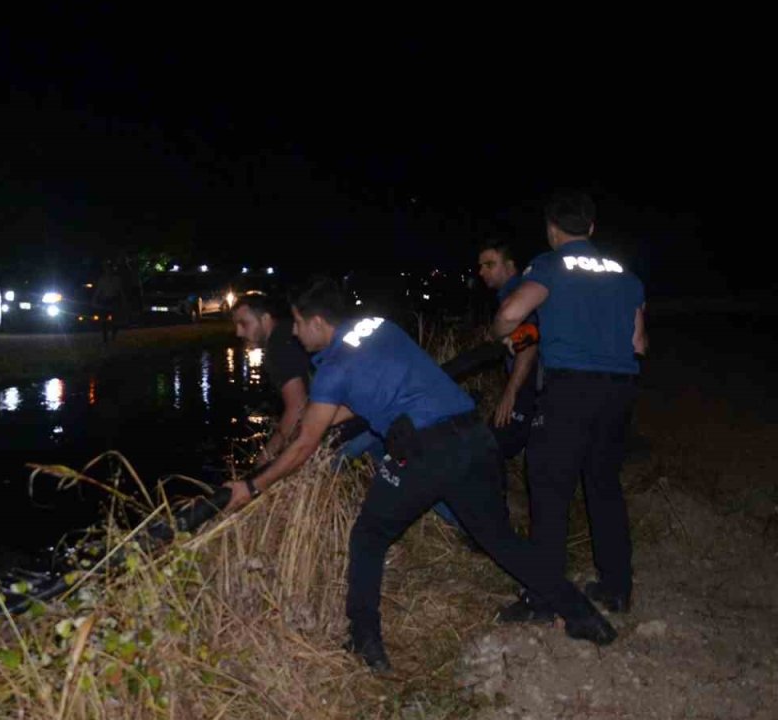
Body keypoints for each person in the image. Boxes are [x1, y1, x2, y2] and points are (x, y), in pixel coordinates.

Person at [223, 275, 616, 672]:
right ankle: (583, 615)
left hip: (427, 451)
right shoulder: (380, 327)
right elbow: (364, 395)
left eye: (297, 322)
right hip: (474, 436)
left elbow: (304, 445)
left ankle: (365, 641)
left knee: (368, 537)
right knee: (499, 539)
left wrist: (253, 485)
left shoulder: (332, 369)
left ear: (318, 322)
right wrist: (318, 416)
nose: (294, 332)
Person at [491, 190, 647, 622]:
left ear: (552, 229)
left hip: (570, 391)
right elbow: (638, 343)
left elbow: (512, 313)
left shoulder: (549, 264)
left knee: (549, 487)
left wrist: (498, 331)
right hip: (619, 391)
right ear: (591, 228)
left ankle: (543, 599)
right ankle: (617, 588)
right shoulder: (625, 275)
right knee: (604, 484)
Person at [477, 239, 540, 461]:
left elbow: (529, 342)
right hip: (536, 382)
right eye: (481, 266)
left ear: (510, 266)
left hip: (530, 382)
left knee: (489, 448)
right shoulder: (520, 290)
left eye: (489, 265)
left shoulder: (516, 293)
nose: (482, 272)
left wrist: (511, 392)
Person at [230, 294, 311, 464]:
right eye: (236, 325)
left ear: (266, 319)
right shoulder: (287, 333)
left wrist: (264, 459)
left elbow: (298, 407)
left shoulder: (277, 348)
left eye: (244, 324)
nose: (238, 332)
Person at [93, 261, 126, 344]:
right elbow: (98, 291)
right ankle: (105, 338)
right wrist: (94, 299)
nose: (108, 271)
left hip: (114, 300)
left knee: (115, 320)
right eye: (106, 269)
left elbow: (120, 291)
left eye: (109, 269)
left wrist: (123, 300)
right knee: (104, 320)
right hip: (105, 300)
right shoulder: (102, 279)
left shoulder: (117, 279)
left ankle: (113, 336)